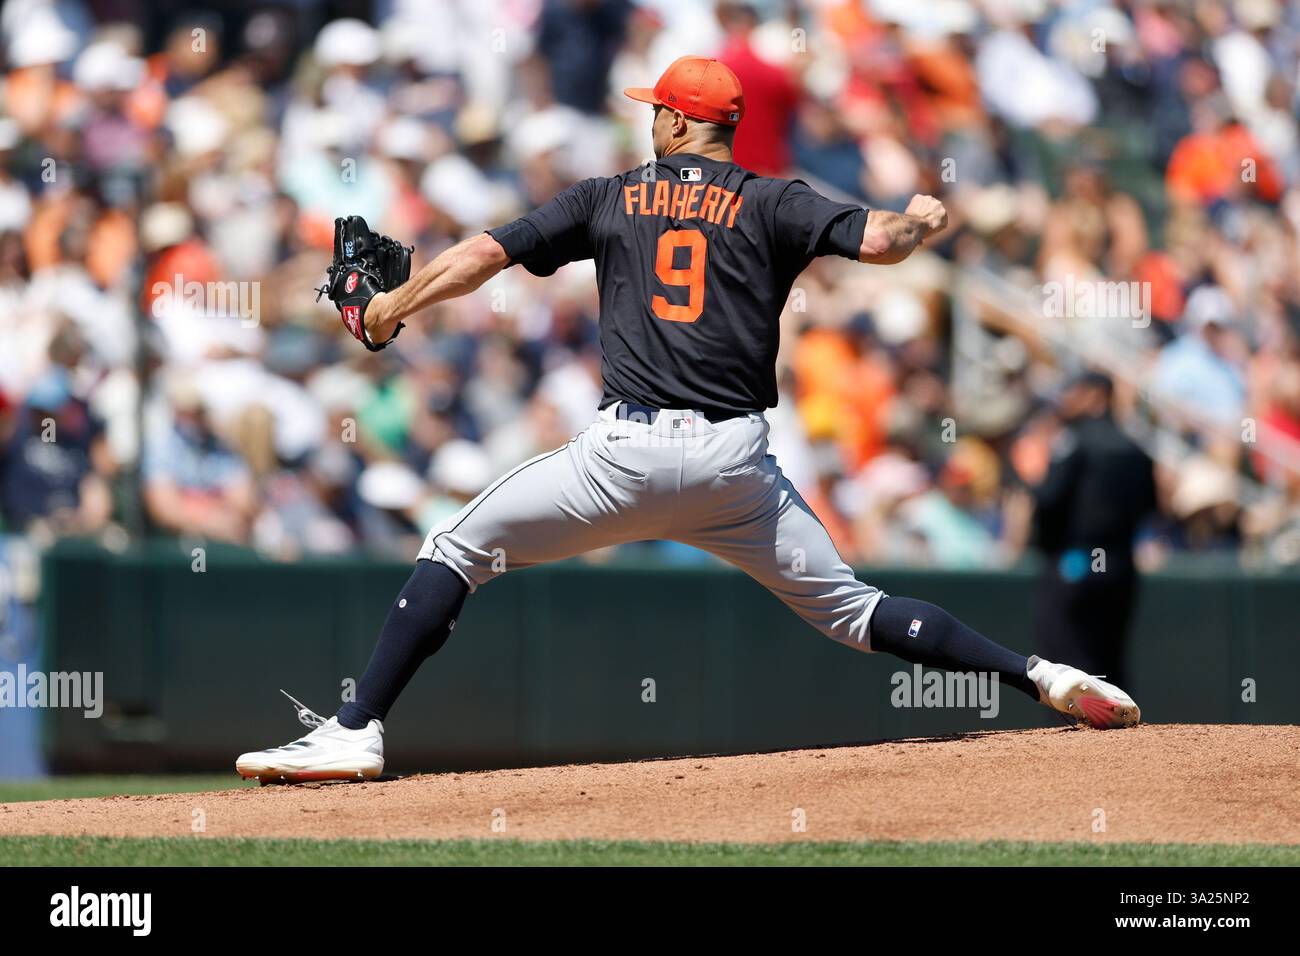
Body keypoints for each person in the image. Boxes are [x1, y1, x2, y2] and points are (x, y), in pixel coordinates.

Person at [237, 56, 1139, 782]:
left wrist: (394, 306)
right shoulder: (773, 199)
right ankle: (1040, 674)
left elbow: (482, 255)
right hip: (734, 467)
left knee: (458, 550)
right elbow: (878, 242)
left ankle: (356, 730)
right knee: (856, 609)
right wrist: (921, 221)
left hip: (621, 460)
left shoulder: (610, 195)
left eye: (654, 109)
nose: (650, 120)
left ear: (673, 123)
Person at [1032, 372, 1156, 686]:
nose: (1067, 400)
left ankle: (1077, 734)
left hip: (1075, 563)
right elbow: (1150, 507)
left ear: (1096, 396)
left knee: (1064, 664)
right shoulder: (1136, 447)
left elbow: (1048, 500)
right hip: (1121, 567)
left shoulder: (1073, 440)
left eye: (1074, 391)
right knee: (1111, 661)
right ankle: (1119, 734)